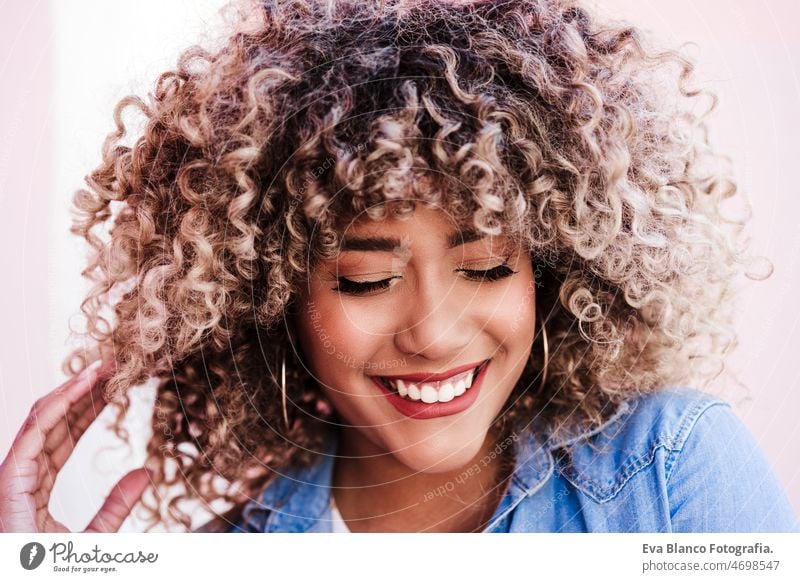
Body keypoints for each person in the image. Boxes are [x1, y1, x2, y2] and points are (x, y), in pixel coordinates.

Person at [0, 0, 797, 534]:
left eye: (484, 266)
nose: (434, 333)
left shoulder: (670, 472)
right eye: (365, 279)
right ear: (272, 297)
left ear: (552, 278)